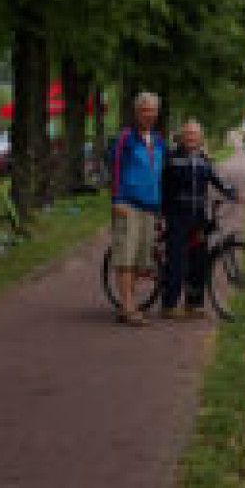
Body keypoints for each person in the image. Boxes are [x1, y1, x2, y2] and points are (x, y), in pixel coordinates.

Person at [161, 120, 236, 320]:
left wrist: (231, 192)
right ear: (182, 136)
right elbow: (162, 185)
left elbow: (216, 180)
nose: (192, 138)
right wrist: (161, 212)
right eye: (188, 134)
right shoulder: (171, 157)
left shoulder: (204, 160)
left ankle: (193, 304)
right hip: (177, 215)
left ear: (200, 137)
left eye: (195, 134)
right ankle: (169, 305)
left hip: (198, 217)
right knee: (176, 261)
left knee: (198, 260)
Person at [109, 92, 168, 326]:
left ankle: (128, 305)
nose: (149, 114)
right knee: (126, 257)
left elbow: (164, 170)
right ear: (136, 112)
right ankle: (128, 307)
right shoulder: (126, 138)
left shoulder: (158, 139)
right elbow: (114, 167)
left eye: (152, 110)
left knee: (142, 260)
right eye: (145, 110)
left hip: (150, 206)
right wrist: (117, 199)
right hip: (128, 205)